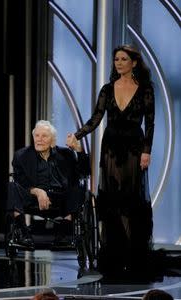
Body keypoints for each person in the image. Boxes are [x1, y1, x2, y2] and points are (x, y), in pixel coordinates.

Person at [67, 45, 155, 275]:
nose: (118, 63)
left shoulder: (145, 89)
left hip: (135, 149)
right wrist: (77, 134)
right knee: (113, 200)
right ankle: (114, 255)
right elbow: (96, 118)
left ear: (134, 63)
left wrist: (147, 150)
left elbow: (150, 123)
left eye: (123, 59)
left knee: (132, 200)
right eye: (116, 59)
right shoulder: (107, 89)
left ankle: (134, 255)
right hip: (111, 148)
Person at [6, 120, 90, 249]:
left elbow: (84, 173)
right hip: (33, 199)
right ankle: (23, 233)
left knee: (78, 187)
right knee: (12, 187)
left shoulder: (65, 154)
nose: (39, 139)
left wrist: (78, 150)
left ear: (53, 140)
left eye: (44, 136)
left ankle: (64, 233)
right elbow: (20, 181)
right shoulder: (21, 156)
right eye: (37, 135)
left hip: (60, 199)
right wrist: (38, 192)